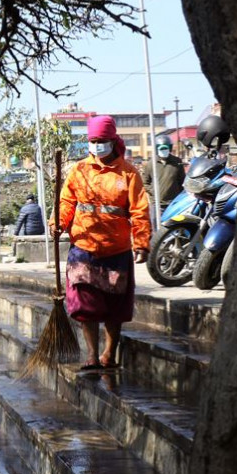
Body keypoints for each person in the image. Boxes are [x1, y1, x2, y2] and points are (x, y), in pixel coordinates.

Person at [53, 115, 151, 370]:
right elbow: (66, 202)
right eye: (93, 141)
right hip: (83, 247)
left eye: (101, 141)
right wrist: (58, 223)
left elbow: (140, 210)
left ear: (112, 140)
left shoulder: (128, 173)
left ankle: (109, 354)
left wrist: (142, 242)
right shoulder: (79, 170)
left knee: (114, 308)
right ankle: (91, 355)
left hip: (116, 249)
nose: (97, 145)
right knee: (86, 305)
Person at [140, 133, 186, 214]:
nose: (164, 151)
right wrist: (154, 191)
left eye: (166, 148)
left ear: (170, 148)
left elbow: (182, 181)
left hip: (174, 203)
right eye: (161, 148)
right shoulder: (151, 164)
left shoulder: (177, 162)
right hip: (157, 204)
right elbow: (145, 182)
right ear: (156, 149)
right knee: (156, 225)